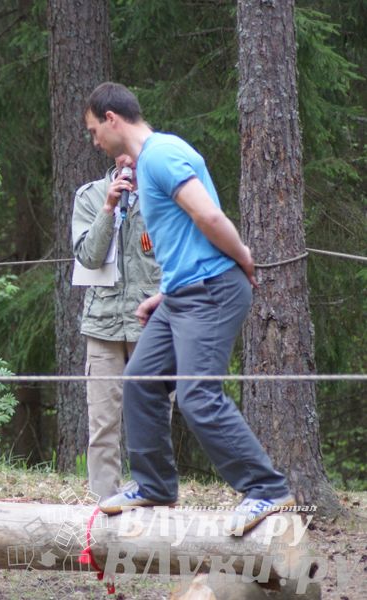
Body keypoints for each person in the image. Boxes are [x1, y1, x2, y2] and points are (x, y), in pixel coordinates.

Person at [82, 82, 293, 534]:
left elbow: (208, 217)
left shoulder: (161, 154)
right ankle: (155, 485)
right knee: (140, 380)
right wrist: (165, 293)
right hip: (181, 294)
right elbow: (186, 240)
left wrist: (242, 256)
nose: (95, 139)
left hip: (212, 290)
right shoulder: (149, 162)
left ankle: (267, 490)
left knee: (197, 394)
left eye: (94, 128)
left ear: (112, 118)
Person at [71, 154, 162, 500]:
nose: (129, 160)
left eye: (135, 152)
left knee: (153, 417)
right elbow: (89, 257)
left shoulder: (164, 195)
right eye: (122, 152)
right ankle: (104, 504)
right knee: (103, 424)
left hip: (150, 325)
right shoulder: (90, 195)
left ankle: (152, 494)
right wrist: (108, 208)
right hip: (102, 326)